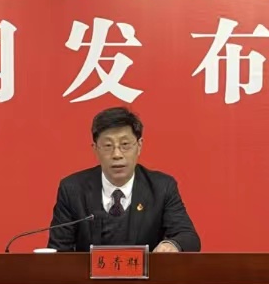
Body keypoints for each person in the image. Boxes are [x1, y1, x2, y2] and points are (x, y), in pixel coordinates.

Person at [47, 107, 200, 252]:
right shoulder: (73, 189)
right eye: (108, 146)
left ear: (139, 146)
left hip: (146, 272)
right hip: (88, 272)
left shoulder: (161, 187)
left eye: (125, 145)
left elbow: (188, 236)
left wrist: (171, 244)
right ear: (95, 149)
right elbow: (58, 250)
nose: (117, 154)